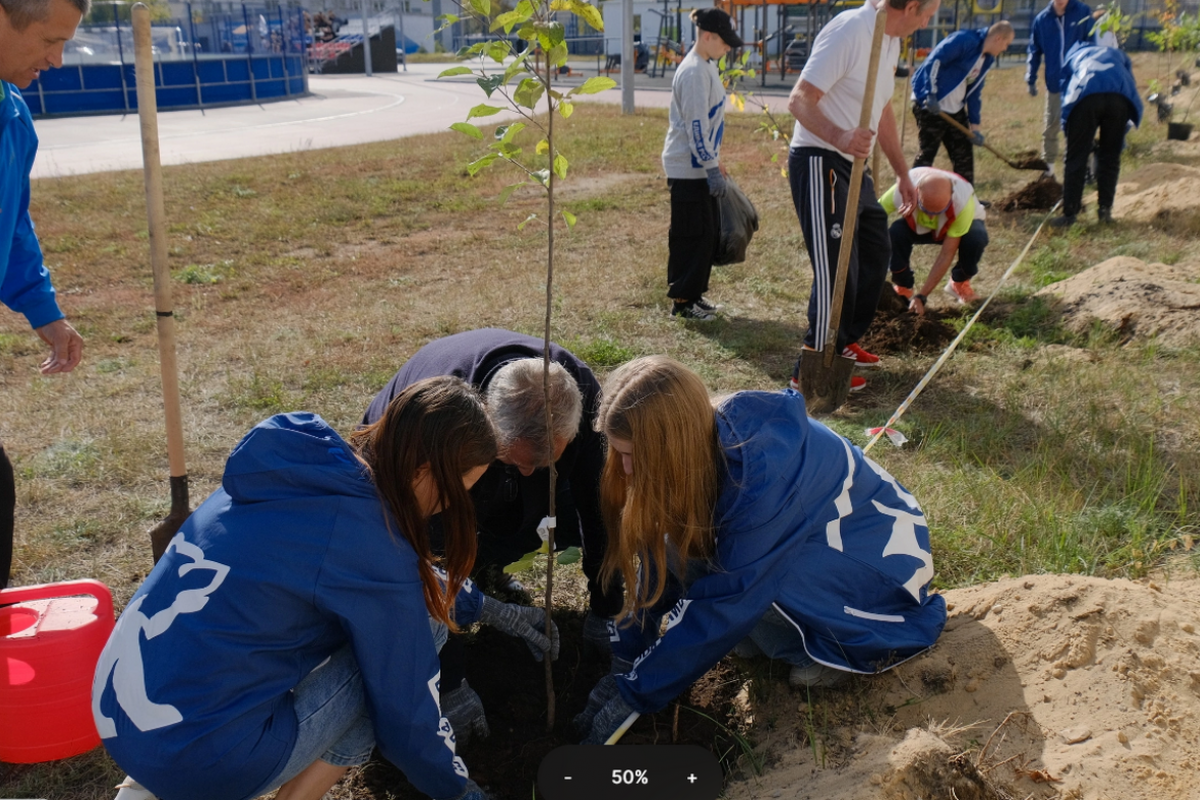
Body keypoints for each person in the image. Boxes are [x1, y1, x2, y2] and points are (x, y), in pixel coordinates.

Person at [94, 377, 559, 800]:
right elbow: (407, 718)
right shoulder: (370, 544)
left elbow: (386, 575)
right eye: (458, 491)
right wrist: (460, 792)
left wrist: (491, 609)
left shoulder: (300, 472)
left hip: (118, 712)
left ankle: (146, 786)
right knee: (425, 627)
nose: (445, 511)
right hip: (205, 761)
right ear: (424, 472)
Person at [572, 356, 947, 745]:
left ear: (671, 446)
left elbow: (730, 599)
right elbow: (661, 554)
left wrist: (635, 695)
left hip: (872, 561)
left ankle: (819, 650)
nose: (627, 469)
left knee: (761, 589)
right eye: (621, 453)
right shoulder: (696, 445)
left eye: (633, 455)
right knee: (695, 552)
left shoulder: (760, 477)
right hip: (817, 535)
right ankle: (778, 634)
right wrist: (626, 660)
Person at [362, 329, 620, 739]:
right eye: (516, 461)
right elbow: (417, 559)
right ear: (488, 422)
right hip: (422, 493)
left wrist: (608, 610)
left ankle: (484, 567)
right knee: (440, 546)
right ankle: (469, 584)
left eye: (543, 462)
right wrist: (451, 684)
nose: (528, 472)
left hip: (489, 478)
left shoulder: (580, 395)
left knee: (576, 501)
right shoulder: (437, 426)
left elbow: (601, 504)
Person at [786, 0, 940, 391]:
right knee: (837, 265)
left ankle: (844, 341)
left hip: (854, 164)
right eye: (928, 11)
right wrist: (839, 136)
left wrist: (903, 172)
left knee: (874, 249)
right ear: (911, 6)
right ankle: (813, 365)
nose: (929, 20)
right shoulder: (851, 30)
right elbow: (799, 99)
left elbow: (880, 107)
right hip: (821, 159)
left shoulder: (888, 39)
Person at [1, 0, 88, 590]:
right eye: (49, 40)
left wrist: (44, 310)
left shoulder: (12, 114)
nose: (57, 59)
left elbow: (14, 223)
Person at [661, 8, 743, 322]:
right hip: (688, 169)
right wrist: (710, 166)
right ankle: (682, 302)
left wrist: (714, 163)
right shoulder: (694, 71)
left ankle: (694, 294)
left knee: (705, 235)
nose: (728, 48)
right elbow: (696, 125)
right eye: (724, 41)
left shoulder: (706, 65)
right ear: (707, 36)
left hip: (701, 167)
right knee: (690, 234)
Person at [910, 21, 1015, 187]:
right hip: (930, 104)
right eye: (1006, 44)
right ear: (998, 38)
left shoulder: (986, 60)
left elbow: (974, 94)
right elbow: (934, 60)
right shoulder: (964, 40)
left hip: (954, 109)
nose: (1005, 49)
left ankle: (967, 199)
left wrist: (975, 129)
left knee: (964, 156)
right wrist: (930, 93)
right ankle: (909, 196)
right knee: (928, 152)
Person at [1050, 42, 1141, 227]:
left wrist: (1072, 133)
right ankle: (1105, 211)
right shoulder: (1117, 54)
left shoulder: (1074, 55)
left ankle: (1070, 214)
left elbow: (1066, 89)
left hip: (1086, 98)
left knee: (1076, 157)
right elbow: (1130, 82)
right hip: (1119, 99)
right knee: (1111, 156)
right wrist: (1120, 134)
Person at [883, 166, 989, 310]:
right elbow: (870, 219)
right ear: (916, 192)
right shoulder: (901, 191)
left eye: (938, 211)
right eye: (926, 209)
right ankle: (903, 286)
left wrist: (922, 296)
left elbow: (946, 254)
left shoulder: (963, 204)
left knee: (976, 238)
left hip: (958, 224)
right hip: (918, 224)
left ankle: (959, 282)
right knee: (895, 232)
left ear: (951, 197)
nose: (932, 217)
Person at [1026, 0, 1095, 174]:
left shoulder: (1082, 12)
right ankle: (1048, 170)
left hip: (1079, 82)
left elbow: (1091, 45)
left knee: (1081, 127)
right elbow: (1034, 50)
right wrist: (1031, 77)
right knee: (1051, 126)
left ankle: (1084, 168)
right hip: (1055, 83)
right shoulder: (1042, 20)